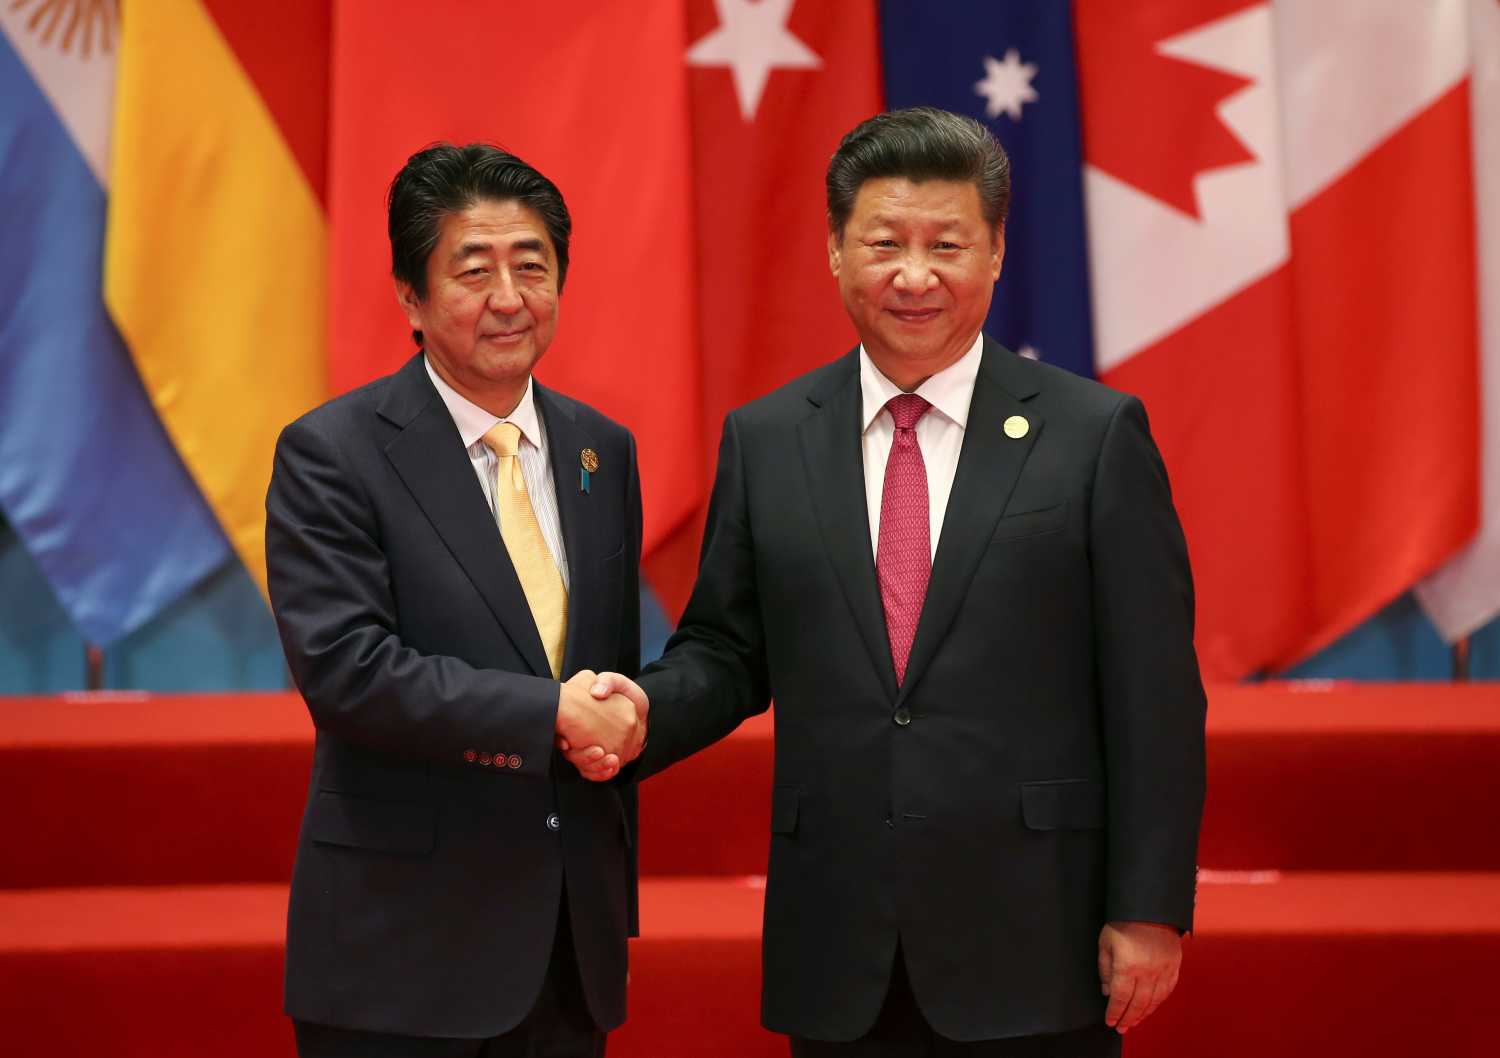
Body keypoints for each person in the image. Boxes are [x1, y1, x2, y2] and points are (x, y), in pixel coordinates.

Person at [579, 107, 1207, 1056]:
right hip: (839, 935)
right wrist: (637, 714)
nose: (914, 276)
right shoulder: (769, 437)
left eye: (947, 244)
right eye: (883, 243)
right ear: (835, 252)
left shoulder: (1094, 436)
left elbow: (1155, 693)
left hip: (1039, 933)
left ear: (996, 251)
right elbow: (727, 649)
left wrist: (1150, 906)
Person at [266, 143, 647, 1058]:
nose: (509, 298)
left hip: (567, 945)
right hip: (403, 951)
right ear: (410, 293)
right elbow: (348, 673)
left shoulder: (602, 449)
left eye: (533, 266)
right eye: (472, 271)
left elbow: (602, 660)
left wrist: (629, 717)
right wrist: (550, 713)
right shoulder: (334, 452)